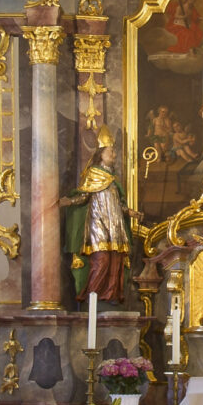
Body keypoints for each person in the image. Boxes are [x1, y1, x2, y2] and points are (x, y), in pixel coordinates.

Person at [63, 131, 131, 306]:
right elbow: (84, 196)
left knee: (116, 260)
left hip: (115, 225)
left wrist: (131, 212)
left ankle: (110, 296)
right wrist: (69, 201)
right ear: (101, 154)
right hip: (98, 224)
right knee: (101, 259)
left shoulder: (114, 182)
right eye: (111, 152)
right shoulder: (93, 175)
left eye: (114, 152)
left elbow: (119, 205)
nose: (114, 155)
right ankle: (92, 297)